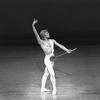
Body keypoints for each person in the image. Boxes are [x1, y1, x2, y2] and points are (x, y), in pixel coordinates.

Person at [32, 19, 73, 95]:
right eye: (47, 33)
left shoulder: (52, 41)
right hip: (47, 59)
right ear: (44, 35)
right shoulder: (41, 42)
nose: (48, 33)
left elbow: (60, 45)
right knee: (52, 73)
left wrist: (67, 50)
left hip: (52, 59)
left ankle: (42, 88)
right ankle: (54, 89)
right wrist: (33, 25)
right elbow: (36, 35)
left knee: (46, 74)